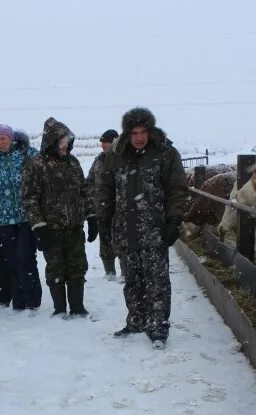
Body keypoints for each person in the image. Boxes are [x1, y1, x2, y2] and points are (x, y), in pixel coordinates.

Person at [97, 107, 188, 349]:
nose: (139, 137)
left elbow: (177, 190)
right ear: (128, 133)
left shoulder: (165, 154)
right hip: (125, 230)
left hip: (154, 230)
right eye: (134, 132)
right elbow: (105, 189)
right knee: (133, 279)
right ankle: (136, 321)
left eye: (143, 132)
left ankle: (158, 327)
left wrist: (174, 220)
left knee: (157, 280)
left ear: (150, 131)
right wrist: (103, 220)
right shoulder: (117, 156)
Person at [22, 117, 98, 317]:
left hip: (74, 227)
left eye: (68, 142)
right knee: (56, 269)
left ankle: (77, 307)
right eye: (62, 142)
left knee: (77, 266)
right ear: (52, 142)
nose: (66, 146)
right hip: (51, 229)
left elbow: (84, 190)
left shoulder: (73, 162)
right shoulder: (36, 164)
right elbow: (29, 198)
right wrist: (39, 226)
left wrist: (91, 216)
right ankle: (60, 310)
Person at [0, 124, 42, 312]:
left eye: (3, 138)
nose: (1, 142)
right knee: (11, 260)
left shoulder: (28, 155)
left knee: (26, 257)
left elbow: (41, 179)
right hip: (4, 220)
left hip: (26, 217)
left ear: (12, 138)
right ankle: (18, 301)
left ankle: (32, 299)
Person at [86, 128, 121, 281]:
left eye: (106, 142)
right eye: (102, 143)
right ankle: (110, 273)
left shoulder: (123, 160)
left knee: (123, 241)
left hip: (121, 210)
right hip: (102, 209)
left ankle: (127, 271)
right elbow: (89, 182)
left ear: (114, 142)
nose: (103, 145)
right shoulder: (99, 161)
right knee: (105, 240)